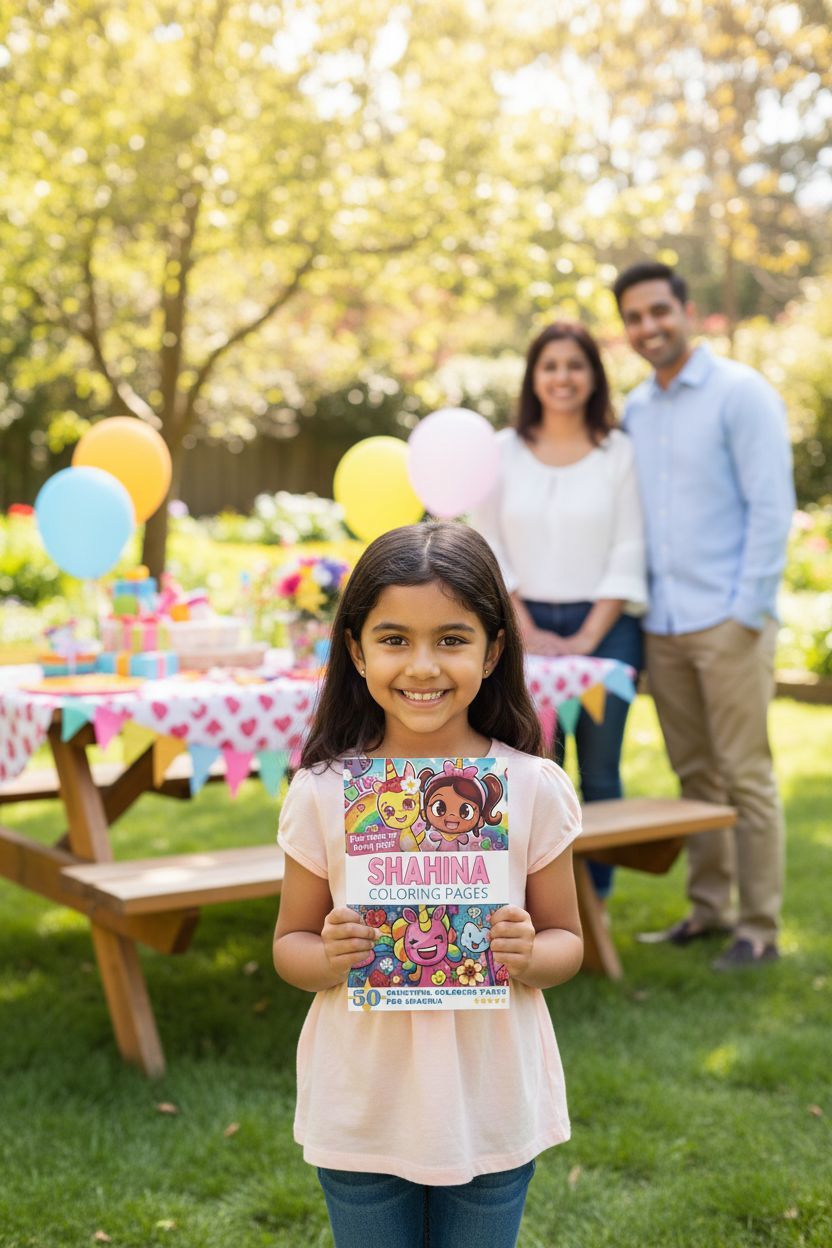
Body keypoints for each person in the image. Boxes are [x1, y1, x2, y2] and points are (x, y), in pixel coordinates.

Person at [273, 521, 583, 1248]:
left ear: (494, 647)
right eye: (393, 639)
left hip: (491, 1099)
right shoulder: (324, 791)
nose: (422, 666)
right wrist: (327, 955)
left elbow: (568, 938)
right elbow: (289, 943)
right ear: (355, 649)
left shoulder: (531, 786)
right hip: (364, 1104)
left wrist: (532, 952)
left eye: (451, 639)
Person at [612, 260, 795, 970]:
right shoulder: (635, 407)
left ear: (686, 310)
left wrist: (747, 612)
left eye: (659, 310)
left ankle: (760, 927)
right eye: (634, 317)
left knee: (746, 773)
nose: (649, 326)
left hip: (728, 620)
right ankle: (710, 910)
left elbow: (771, 508)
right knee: (696, 775)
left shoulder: (740, 394)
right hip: (663, 624)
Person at [470, 321, 647, 904]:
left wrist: (589, 634)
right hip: (519, 625)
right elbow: (488, 542)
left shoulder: (617, 451)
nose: (563, 377)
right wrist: (526, 627)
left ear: (593, 375)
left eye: (575, 365)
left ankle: (594, 902)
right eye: (550, 366)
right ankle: (534, 902)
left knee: (599, 770)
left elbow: (628, 544)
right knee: (534, 767)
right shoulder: (501, 451)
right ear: (533, 377)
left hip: (609, 627)